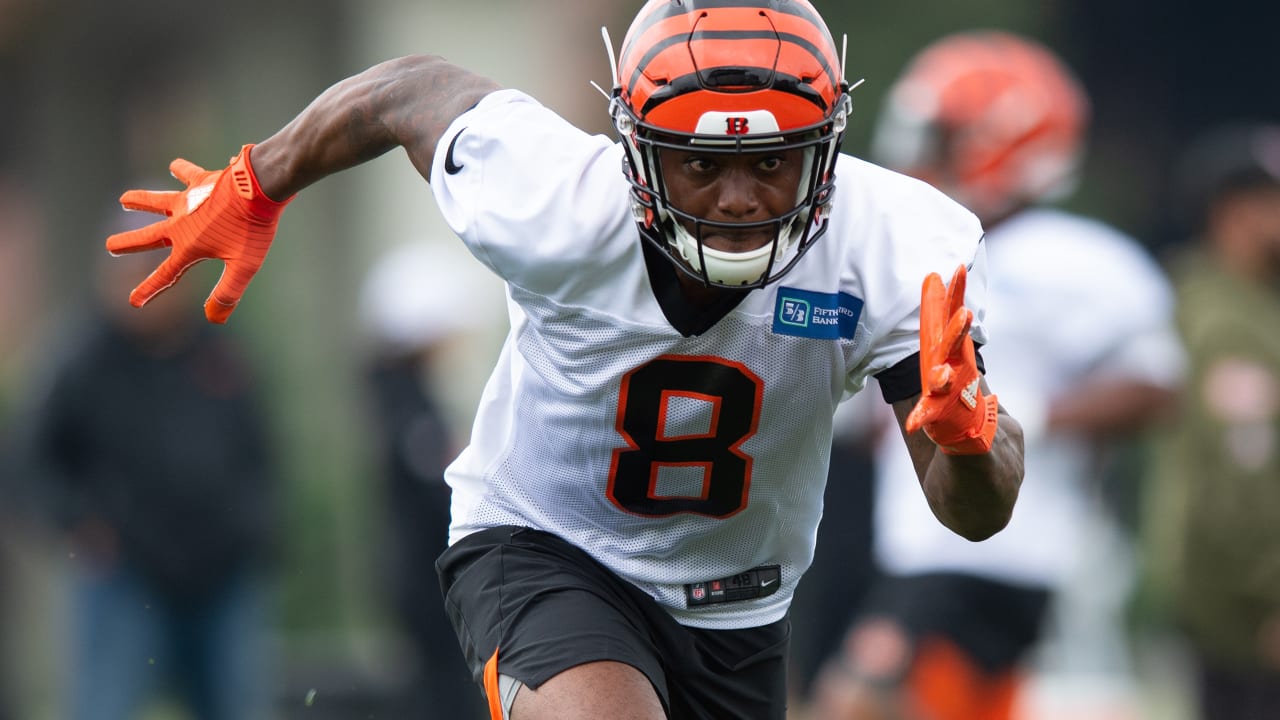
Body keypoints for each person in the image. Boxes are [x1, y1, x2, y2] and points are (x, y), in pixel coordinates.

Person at [102, 2, 1028, 718]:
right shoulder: (557, 202)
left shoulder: (896, 243)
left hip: (740, 606)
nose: (740, 199)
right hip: (545, 545)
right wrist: (260, 179)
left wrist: (971, 438)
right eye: (702, 166)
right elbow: (404, 92)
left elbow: (975, 514)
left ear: (823, 153)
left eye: (772, 163)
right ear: (636, 154)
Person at [808, 31, 1185, 720]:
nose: (919, 153)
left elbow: (1155, 386)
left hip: (994, 549)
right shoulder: (909, 246)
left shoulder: (1073, 259)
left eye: (943, 136)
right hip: (913, 539)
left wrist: (1030, 417)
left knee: (851, 704)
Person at [12, 210, 281, 720]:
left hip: (222, 572)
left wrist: (255, 528)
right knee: (105, 706)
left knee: (239, 705)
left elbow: (258, 454)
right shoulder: (78, 361)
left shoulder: (219, 353)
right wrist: (78, 523)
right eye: (134, 269)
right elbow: (31, 462)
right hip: (124, 576)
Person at [1142, 121, 1280, 720]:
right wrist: (1267, 595)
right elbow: (1240, 470)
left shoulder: (1239, 301)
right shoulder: (1224, 320)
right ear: (1234, 210)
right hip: (1245, 611)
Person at [357, 241, 502, 719]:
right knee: (446, 697)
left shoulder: (397, 399)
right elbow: (439, 492)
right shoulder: (408, 411)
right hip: (430, 583)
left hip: (421, 577)